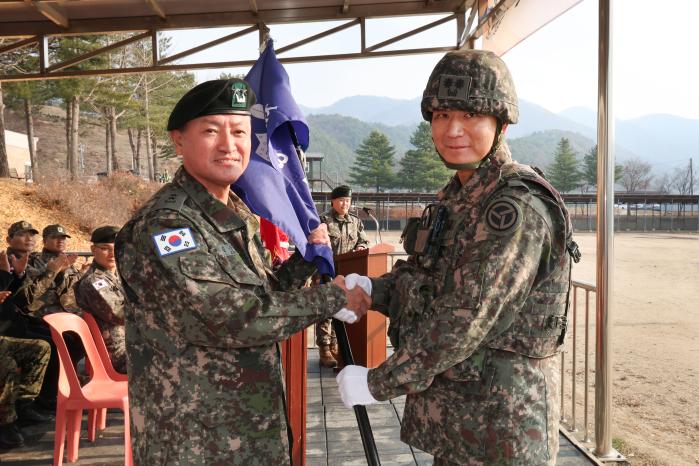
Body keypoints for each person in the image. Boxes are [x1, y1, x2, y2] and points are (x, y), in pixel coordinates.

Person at [336, 49, 580, 465]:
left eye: (471, 116)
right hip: (462, 420)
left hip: (502, 427)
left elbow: (466, 316)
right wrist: (371, 290)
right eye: (442, 115)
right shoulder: (459, 199)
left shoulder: (514, 208)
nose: (453, 130)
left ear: (500, 125)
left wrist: (379, 381)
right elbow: (426, 278)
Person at [115, 78, 372, 466]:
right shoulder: (167, 225)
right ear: (179, 140)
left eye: (239, 131)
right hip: (195, 438)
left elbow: (261, 293)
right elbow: (230, 317)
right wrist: (333, 297)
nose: (228, 144)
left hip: (247, 428)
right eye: (211, 131)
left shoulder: (234, 212)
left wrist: (308, 257)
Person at [316, 185, 369, 367]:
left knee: (341, 309)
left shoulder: (355, 222)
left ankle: (336, 345)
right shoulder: (323, 220)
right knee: (326, 311)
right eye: (341, 200)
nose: (345, 204)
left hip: (348, 274)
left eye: (347, 200)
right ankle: (324, 348)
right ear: (333, 201)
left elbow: (363, 239)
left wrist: (361, 247)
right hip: (327, 272)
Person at [75, 225, 127, 374]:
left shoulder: (116, 276)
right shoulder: (94, 281)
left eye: (116, 248)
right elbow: (119, 315)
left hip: (133, 344)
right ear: (93, 250)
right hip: (117, 353)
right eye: (105, 248)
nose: (112, 254)